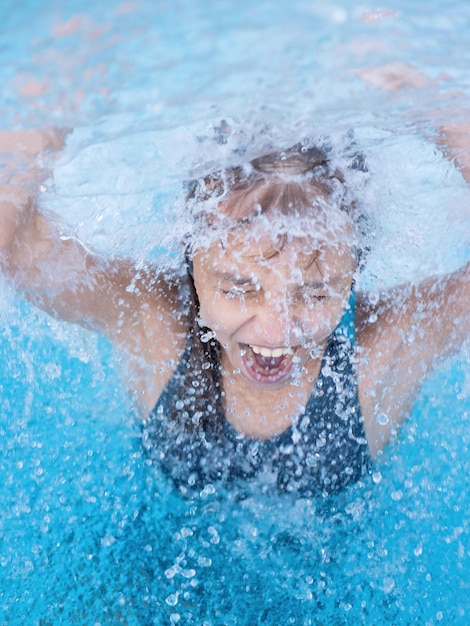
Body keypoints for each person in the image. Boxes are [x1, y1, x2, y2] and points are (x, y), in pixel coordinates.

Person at [0, 113, 469, 498]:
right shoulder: (155, 321)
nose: (276, 331)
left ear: (355, 273)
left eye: (317, 292)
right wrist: (45, 115)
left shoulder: (383, 351)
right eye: (239, 289)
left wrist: (437, 112)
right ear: (192, 264)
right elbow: (16, 247)